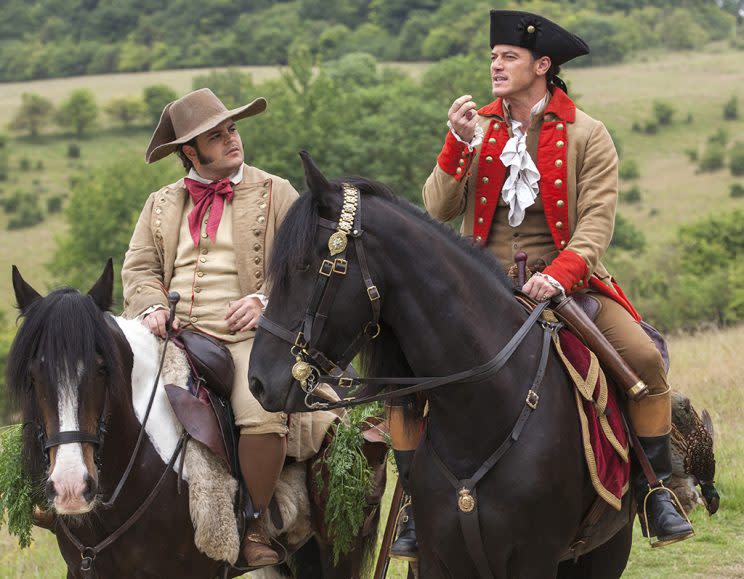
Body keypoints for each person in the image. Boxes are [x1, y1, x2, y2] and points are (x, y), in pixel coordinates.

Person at [417, 9, 694, 549]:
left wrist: (559, 277)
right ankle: (412, 503)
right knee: (409, 372)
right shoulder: (478, 129)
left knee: (642, 360)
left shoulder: (588, 134)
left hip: (566, 283)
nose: (496, 65)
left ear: (542, 65)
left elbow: (595, 226)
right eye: (493, 57)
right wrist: (458, 142)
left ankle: (657, 489)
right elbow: (436, 207)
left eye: (509, 58)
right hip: (481, 286)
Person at [121, 88, 333, 567]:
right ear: (189, 153)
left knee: (262, 411)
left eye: (231, 129)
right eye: (216, 136)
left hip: (245, 339)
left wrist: (265, 302)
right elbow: (139, 268)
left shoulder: (277, 193)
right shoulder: (159, 203)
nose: (231, 139)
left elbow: (310, 266)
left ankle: (253, 523)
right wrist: (152, 305)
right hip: (171, 335)